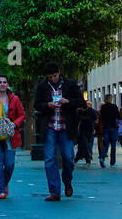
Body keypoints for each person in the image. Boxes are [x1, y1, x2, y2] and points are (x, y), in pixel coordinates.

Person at [33, 62, 86, 201]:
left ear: (59, 73)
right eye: (50, 77)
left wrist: (68, 101)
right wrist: (47, 105)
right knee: (49, 159)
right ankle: (54, 191)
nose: (52, 79)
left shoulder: (70, 84)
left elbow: (81, 102)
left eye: (54, 76)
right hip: (49, 126)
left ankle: (67, 181)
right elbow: (37, 104)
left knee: (68, 157)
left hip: (66, 126)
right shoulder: (42, 86)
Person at [98, 94, 120, 167]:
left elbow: (102, 117)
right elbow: (118, 116)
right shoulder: (114, 106)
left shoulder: (103, 107)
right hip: (113, 127)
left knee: (105, 144)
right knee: (113, 146)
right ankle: (112, 163)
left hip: (105, 127)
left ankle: (102, 157)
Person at [75, 101, 97, 165]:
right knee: (84, 144)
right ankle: (87, 159)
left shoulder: (91, 111)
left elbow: (94, 120)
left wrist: (93, 128)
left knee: (82, 145)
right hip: (82, 130)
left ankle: (78, 157)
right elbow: (77, 120)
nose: (88, 105)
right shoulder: (80, 111)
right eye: (87, 104)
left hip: (89, 129)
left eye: (90, 104)